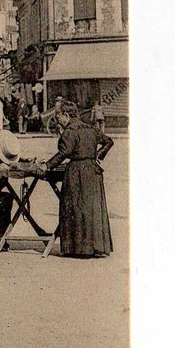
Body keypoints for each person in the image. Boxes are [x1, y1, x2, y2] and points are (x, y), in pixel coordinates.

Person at [42, 101, 114, 258]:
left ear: (66, 115)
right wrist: (97, 156)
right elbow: (109, 141)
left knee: (75, 206)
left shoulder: (70, 131)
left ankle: (77, 248)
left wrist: (46, 166)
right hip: (93, 173)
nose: (56, 119)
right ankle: (95, 247)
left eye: (58, 116)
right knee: (92, 208)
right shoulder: (90, 128)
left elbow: (63, 153)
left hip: (76, 173)